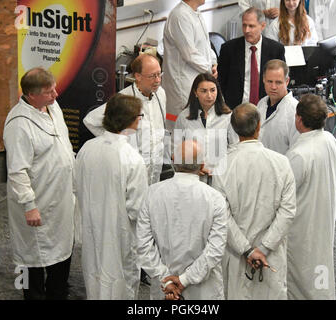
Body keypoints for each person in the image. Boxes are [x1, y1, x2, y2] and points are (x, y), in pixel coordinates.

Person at [3, 67, 75, 300]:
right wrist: (29, 205)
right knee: (31, 256)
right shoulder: (18, 124)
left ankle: (58, 293)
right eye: (48, 91)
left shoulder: (53, 107)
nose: (55, 94)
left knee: (62, 251)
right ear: (31, 95)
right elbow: (17, 171)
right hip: (38, 203)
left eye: (54, 88)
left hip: (60, 199)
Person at [212, 103, 296, 299]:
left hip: (237, 255)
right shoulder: (281, 163)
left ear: (233, 129)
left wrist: (248, 250)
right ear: (259, 126)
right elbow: (288, 211)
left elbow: (222, 217)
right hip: (270, 255)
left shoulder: (223, 166)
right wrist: (264, 248)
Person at [74, 94, 148, 300]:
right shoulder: (132, 158)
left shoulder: (87, 148)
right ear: (131, 120)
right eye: (139, 116)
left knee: (94, 277)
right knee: (120, 285)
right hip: (120, 235)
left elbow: (76, 185)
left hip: (91, 229)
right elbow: (137, 209)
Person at [137, 140, 227, 300]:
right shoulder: (215, 199)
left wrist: (166, 280)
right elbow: (215, 250)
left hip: (164, 288)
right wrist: (185, 280)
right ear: (202, 166)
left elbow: (143, 246)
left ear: (173, 160)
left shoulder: (152, 194)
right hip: (203, 292)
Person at [285, 94, 336, 300]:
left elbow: (284, 195)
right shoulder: (330, 140)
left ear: (299, 119)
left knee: (302, 278)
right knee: (321, 271)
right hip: (324, 219)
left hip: (302, 226)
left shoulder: (299, 153)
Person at [83, 53, 167, 186]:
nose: (157, 80)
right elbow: (90, 121)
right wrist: (115, 143)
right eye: (152, 76)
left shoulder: (160, 93)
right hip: (131, 168)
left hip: (155, 170)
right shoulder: (124, 100)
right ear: (137, 77)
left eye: (159, 74)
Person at [162, 0, 218, 132]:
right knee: (181, 133)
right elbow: (190, 53)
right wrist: (209, 69)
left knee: (195, 130)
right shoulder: (180, 16)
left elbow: (204, 45)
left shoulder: (195, 13)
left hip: (197, 81)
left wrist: (214, 62)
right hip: (182, 86)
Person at [174, 73, 239, 183]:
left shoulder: (227, 117)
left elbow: (235, 147)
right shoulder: (184, 117)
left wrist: (220, 167)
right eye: (204, 91)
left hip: (221, 177)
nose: (209, 95)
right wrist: (192, 168)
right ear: (195, 92)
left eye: (213, 90)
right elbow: (176, 148)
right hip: (192, 177)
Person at [218, 7, 285, 110]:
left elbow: (280, 81)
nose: (246, 30)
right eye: (244, 25)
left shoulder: (276, 50)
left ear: (262, 26)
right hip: (236, 109)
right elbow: (222, 81)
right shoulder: (228, 49)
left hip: (265, 108)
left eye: (251, 26)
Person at [257, 59, 299, 154]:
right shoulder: (261, 104)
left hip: (282, 167)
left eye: (278, 82)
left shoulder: (295, 111)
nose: (273, 87)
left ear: (287, 81)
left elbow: (296, 151)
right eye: (269, 81)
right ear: (263, 79)